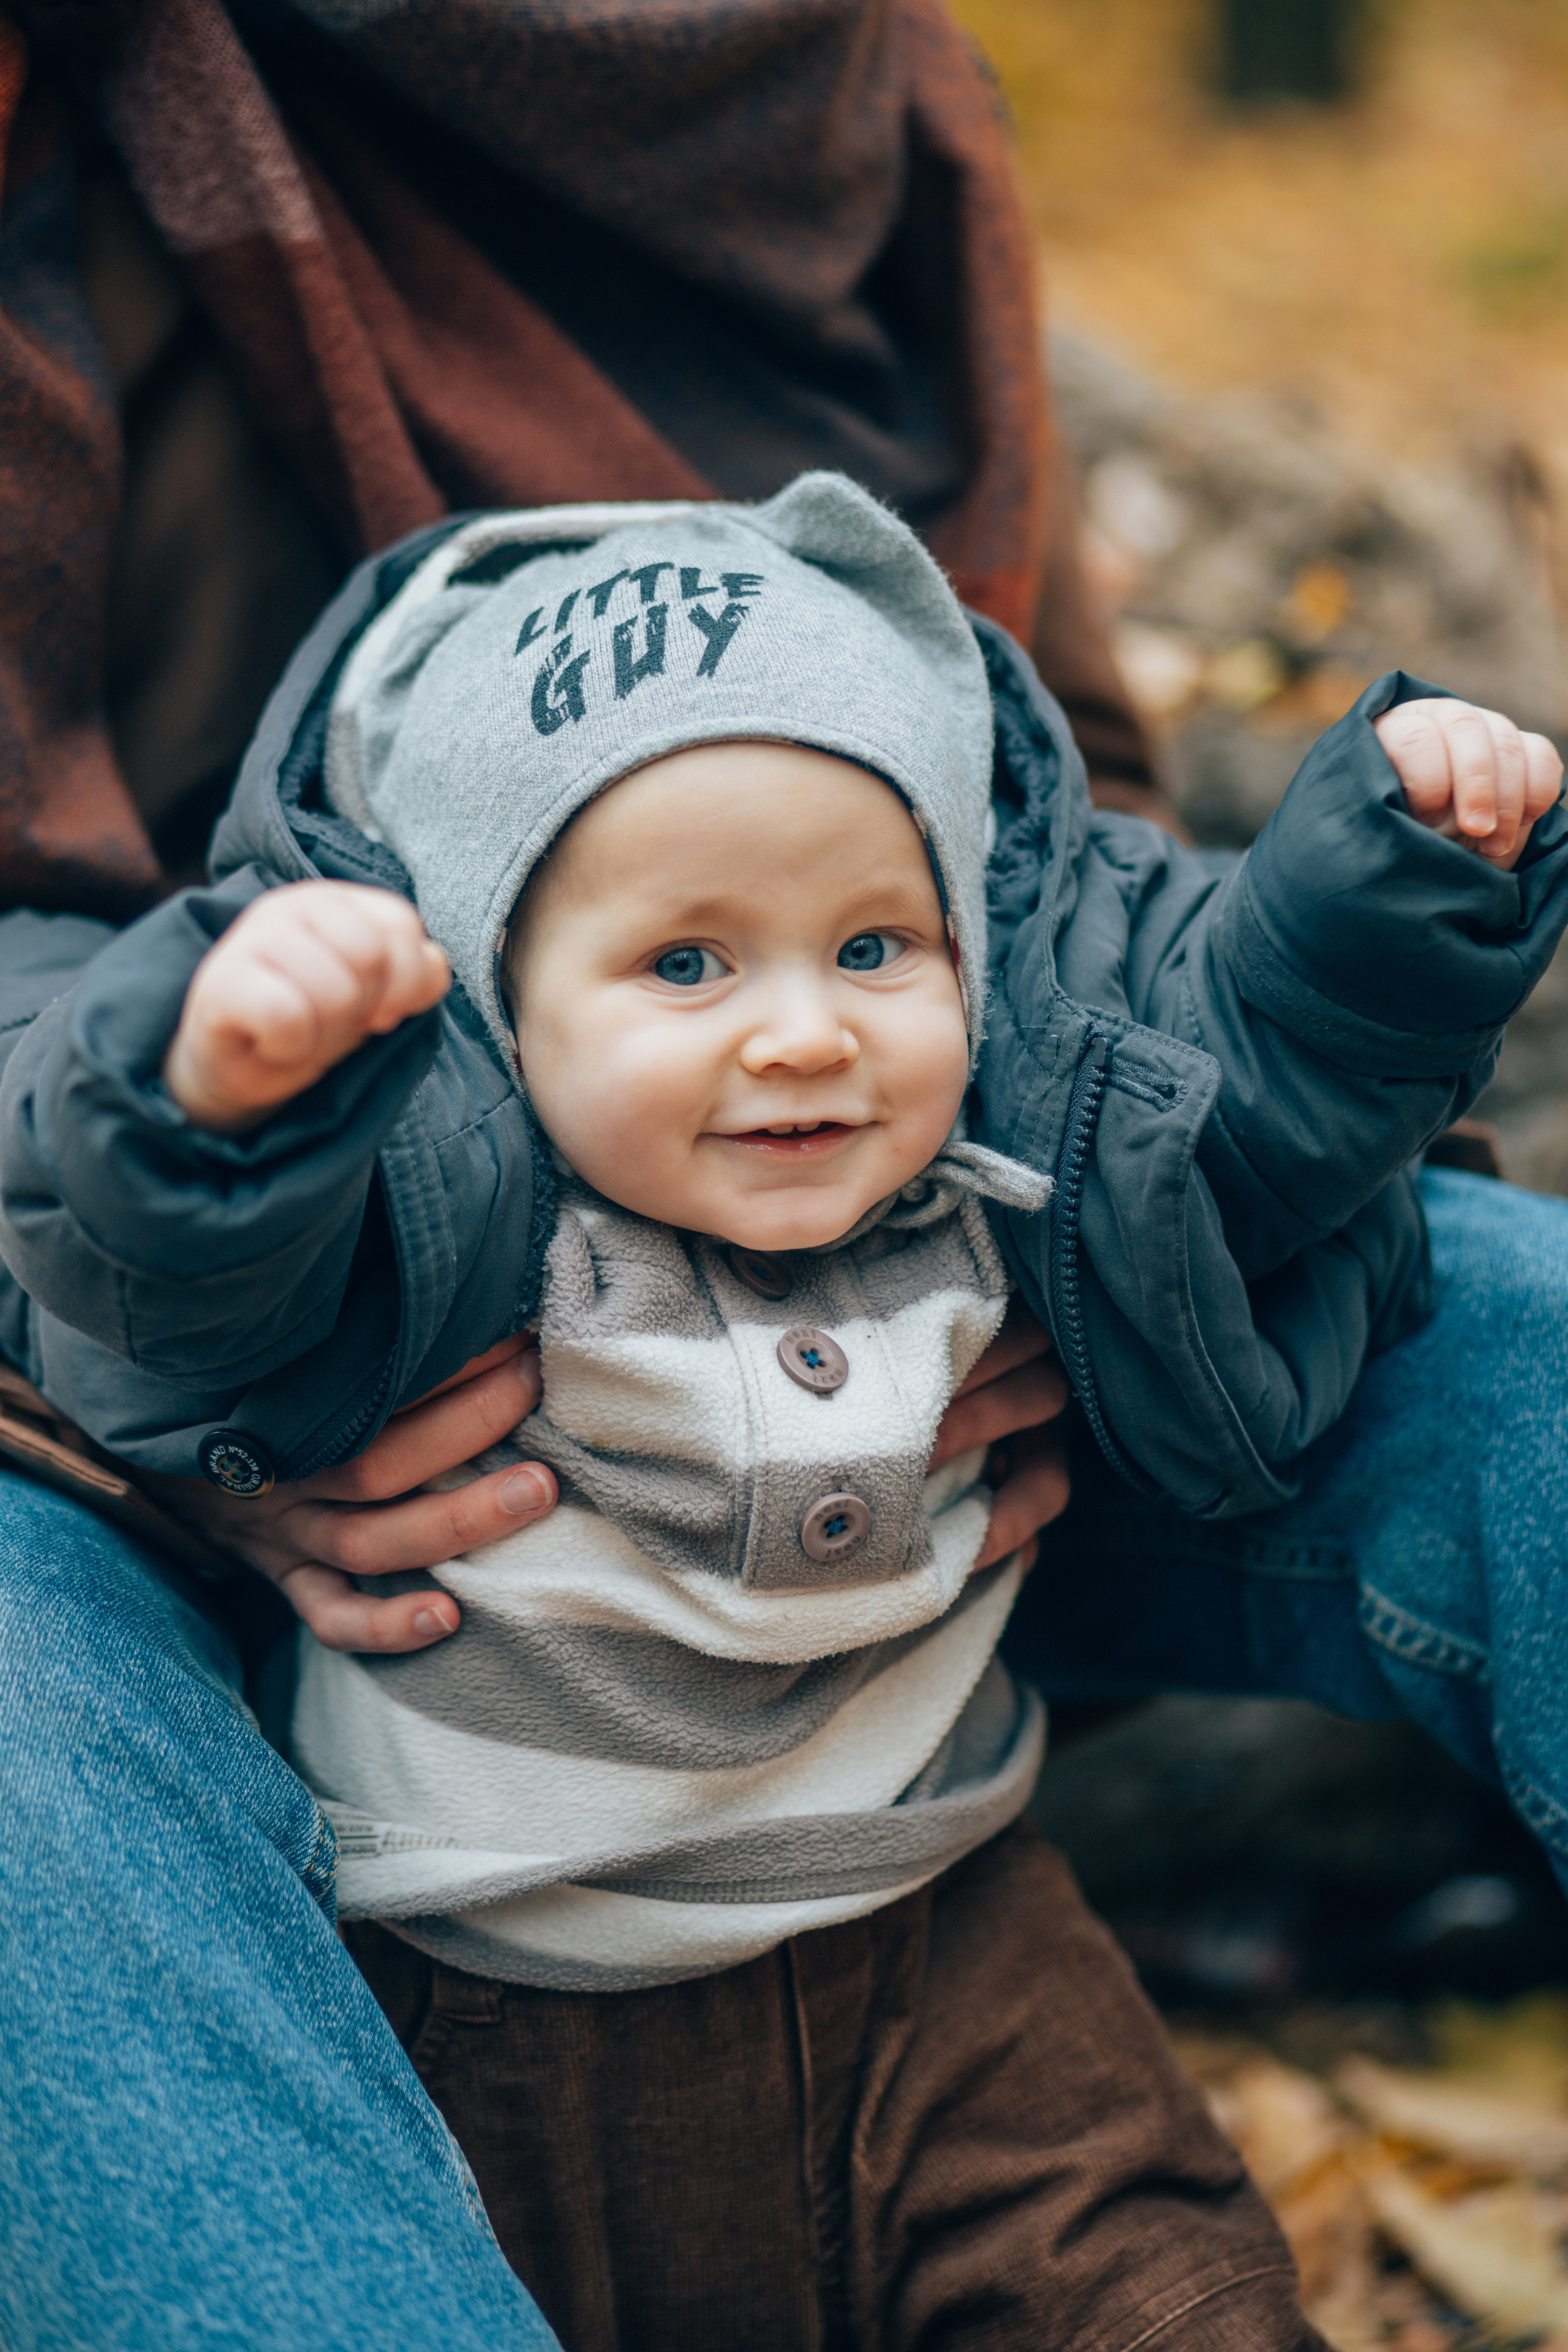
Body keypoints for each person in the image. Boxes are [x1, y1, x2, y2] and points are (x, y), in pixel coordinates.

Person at [4, 467, 1564, 2346]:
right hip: (491, 2023)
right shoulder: (445, 1226)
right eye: (687, 964)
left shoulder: (998, 1173)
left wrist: (1396, 887)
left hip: (955, 1966)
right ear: (501, 1006)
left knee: (1174, 2305)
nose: (807, 1031)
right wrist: (223, 1104)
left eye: (874, 948)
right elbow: (194, 1283)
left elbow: (1230, 1072)